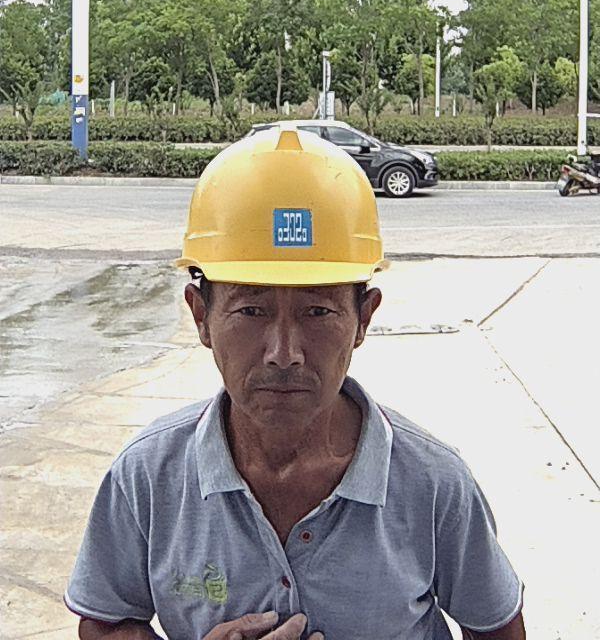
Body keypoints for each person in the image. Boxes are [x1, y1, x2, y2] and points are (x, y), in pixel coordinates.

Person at [65, 127, 526, 640]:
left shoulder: (433, 484)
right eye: (251, 310)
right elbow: (104, 622)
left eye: (317, 311)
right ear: (200, 315)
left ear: (363, 318)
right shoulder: (148, 476)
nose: (284, 354)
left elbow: (497, 630)